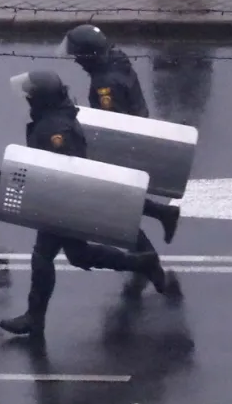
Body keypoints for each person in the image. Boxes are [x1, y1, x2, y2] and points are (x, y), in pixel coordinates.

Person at [0, 71, 180, 339]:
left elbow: (64, 168)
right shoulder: (53, 118)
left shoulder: (55, 129)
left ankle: (34, 318)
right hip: (61, 200)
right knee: (77, 255)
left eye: (31, 95)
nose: (27, 99)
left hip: (63, 201)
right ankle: (140, 262)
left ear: (41, 99)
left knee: (43, 256)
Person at [58, 24, 182, 244]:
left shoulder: (105, 84)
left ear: (89, 56)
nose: (76, 60)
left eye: (78, 55)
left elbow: (112, 123)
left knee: (115, 203)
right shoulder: (116, 60)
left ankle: (147, 253)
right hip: (136, 129)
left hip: (124, 144)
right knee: (118, 200)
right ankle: (160, 219)